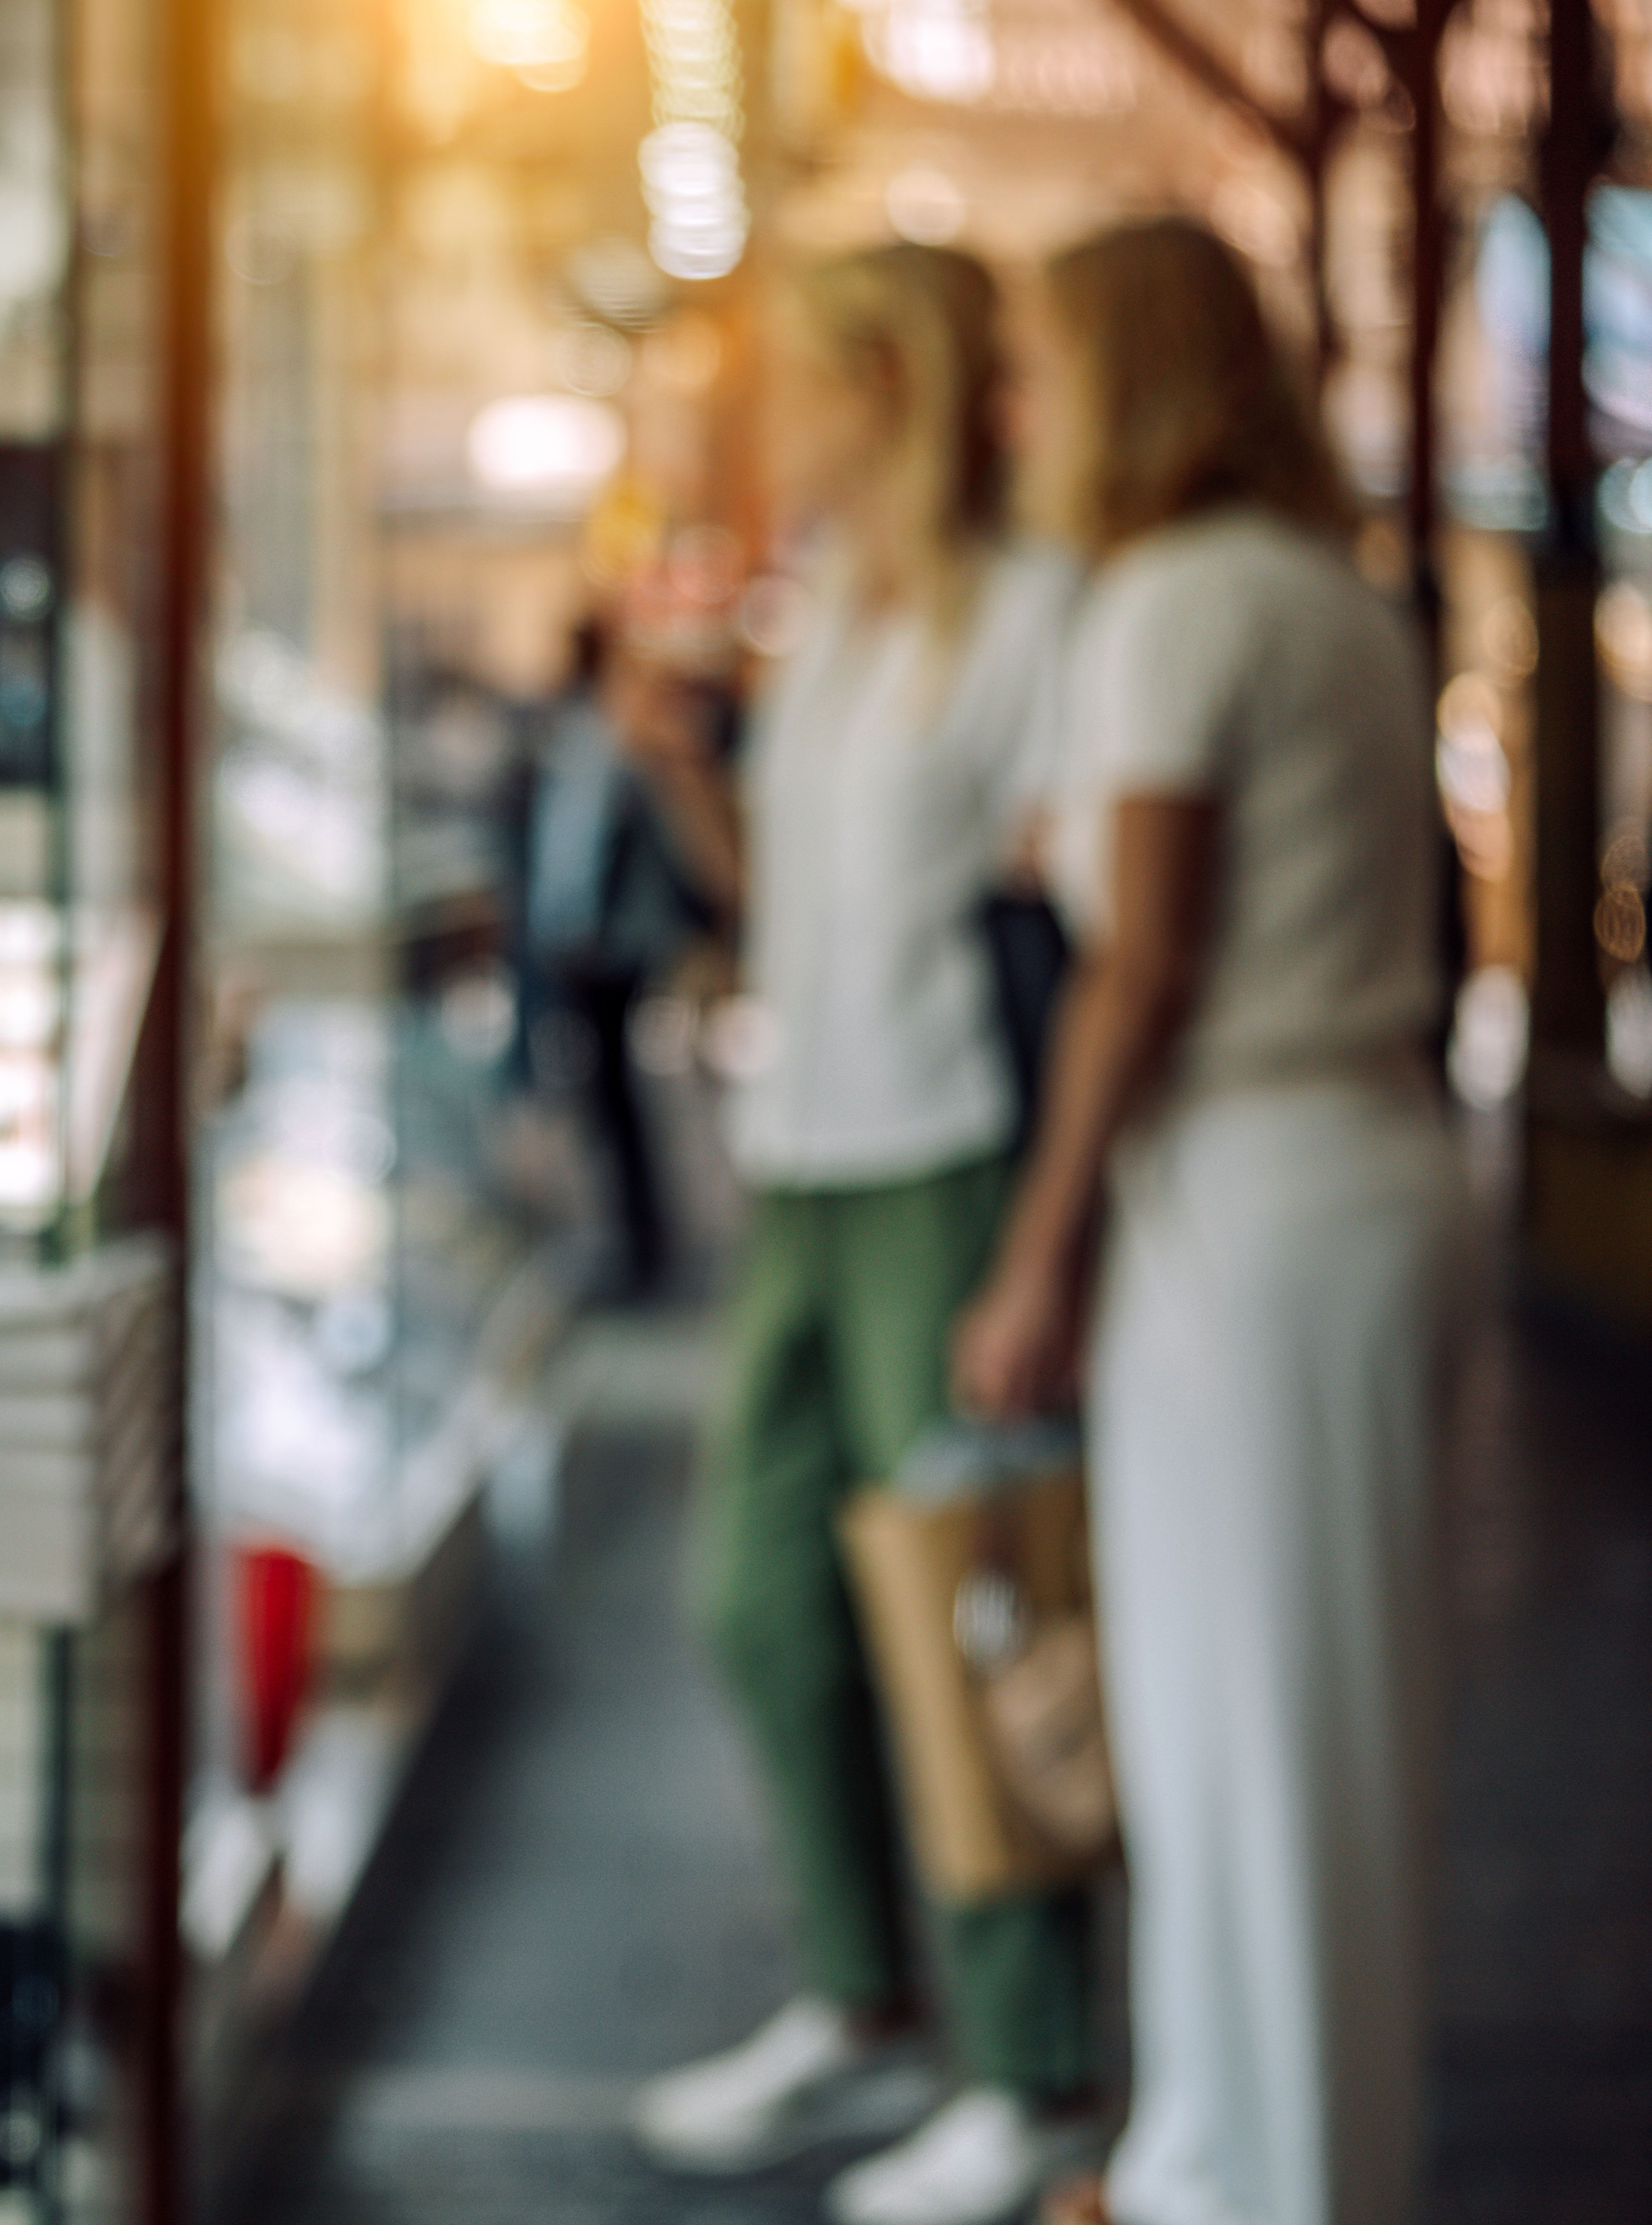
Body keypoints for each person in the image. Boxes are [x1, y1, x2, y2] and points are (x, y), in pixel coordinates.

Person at [952, 216, 1462, 2225]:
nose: (1020, 411)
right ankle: (1222, 2165)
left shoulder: (1164, 602)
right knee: (1295, 1731)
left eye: (1043, 369)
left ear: (1125, 380)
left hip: (1247, 1207)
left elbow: (1141, 968)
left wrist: (1036, 1254)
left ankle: (1258, 2183)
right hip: (1341, 1179)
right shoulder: (1324, 597)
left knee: (1250, 1742)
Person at [615, 242, 1095, 2225]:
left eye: (801, 384)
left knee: (967, 1626)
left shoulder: (1034, 624)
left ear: (887, 390)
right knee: (761, 1592)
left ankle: (1041, 2071)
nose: (770, 425)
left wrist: (1051, 1248)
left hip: (952, 1168)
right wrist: (680, 785)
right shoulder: (832, 636)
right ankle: (861, 1999)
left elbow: (1088, 943)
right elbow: (793, 922)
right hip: (806, 1164)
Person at [504, 613, 692, 1297]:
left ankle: (643, 1247)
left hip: (609, 947)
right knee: (601, 1100)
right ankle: (630, 1240)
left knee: (616, 1102)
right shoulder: (577, 737)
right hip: (578, 938)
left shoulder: (626, 743)